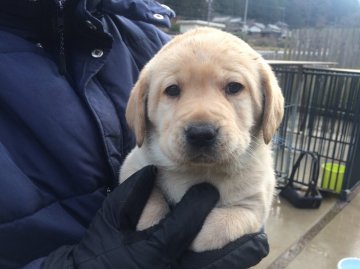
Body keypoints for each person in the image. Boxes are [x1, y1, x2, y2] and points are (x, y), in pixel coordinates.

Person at [0, 0, 269, 268]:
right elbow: (135, 164)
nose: (201, 124)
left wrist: (234, 219)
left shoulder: (146, 36)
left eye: (233, 87)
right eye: (173, 90)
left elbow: (255, 205)